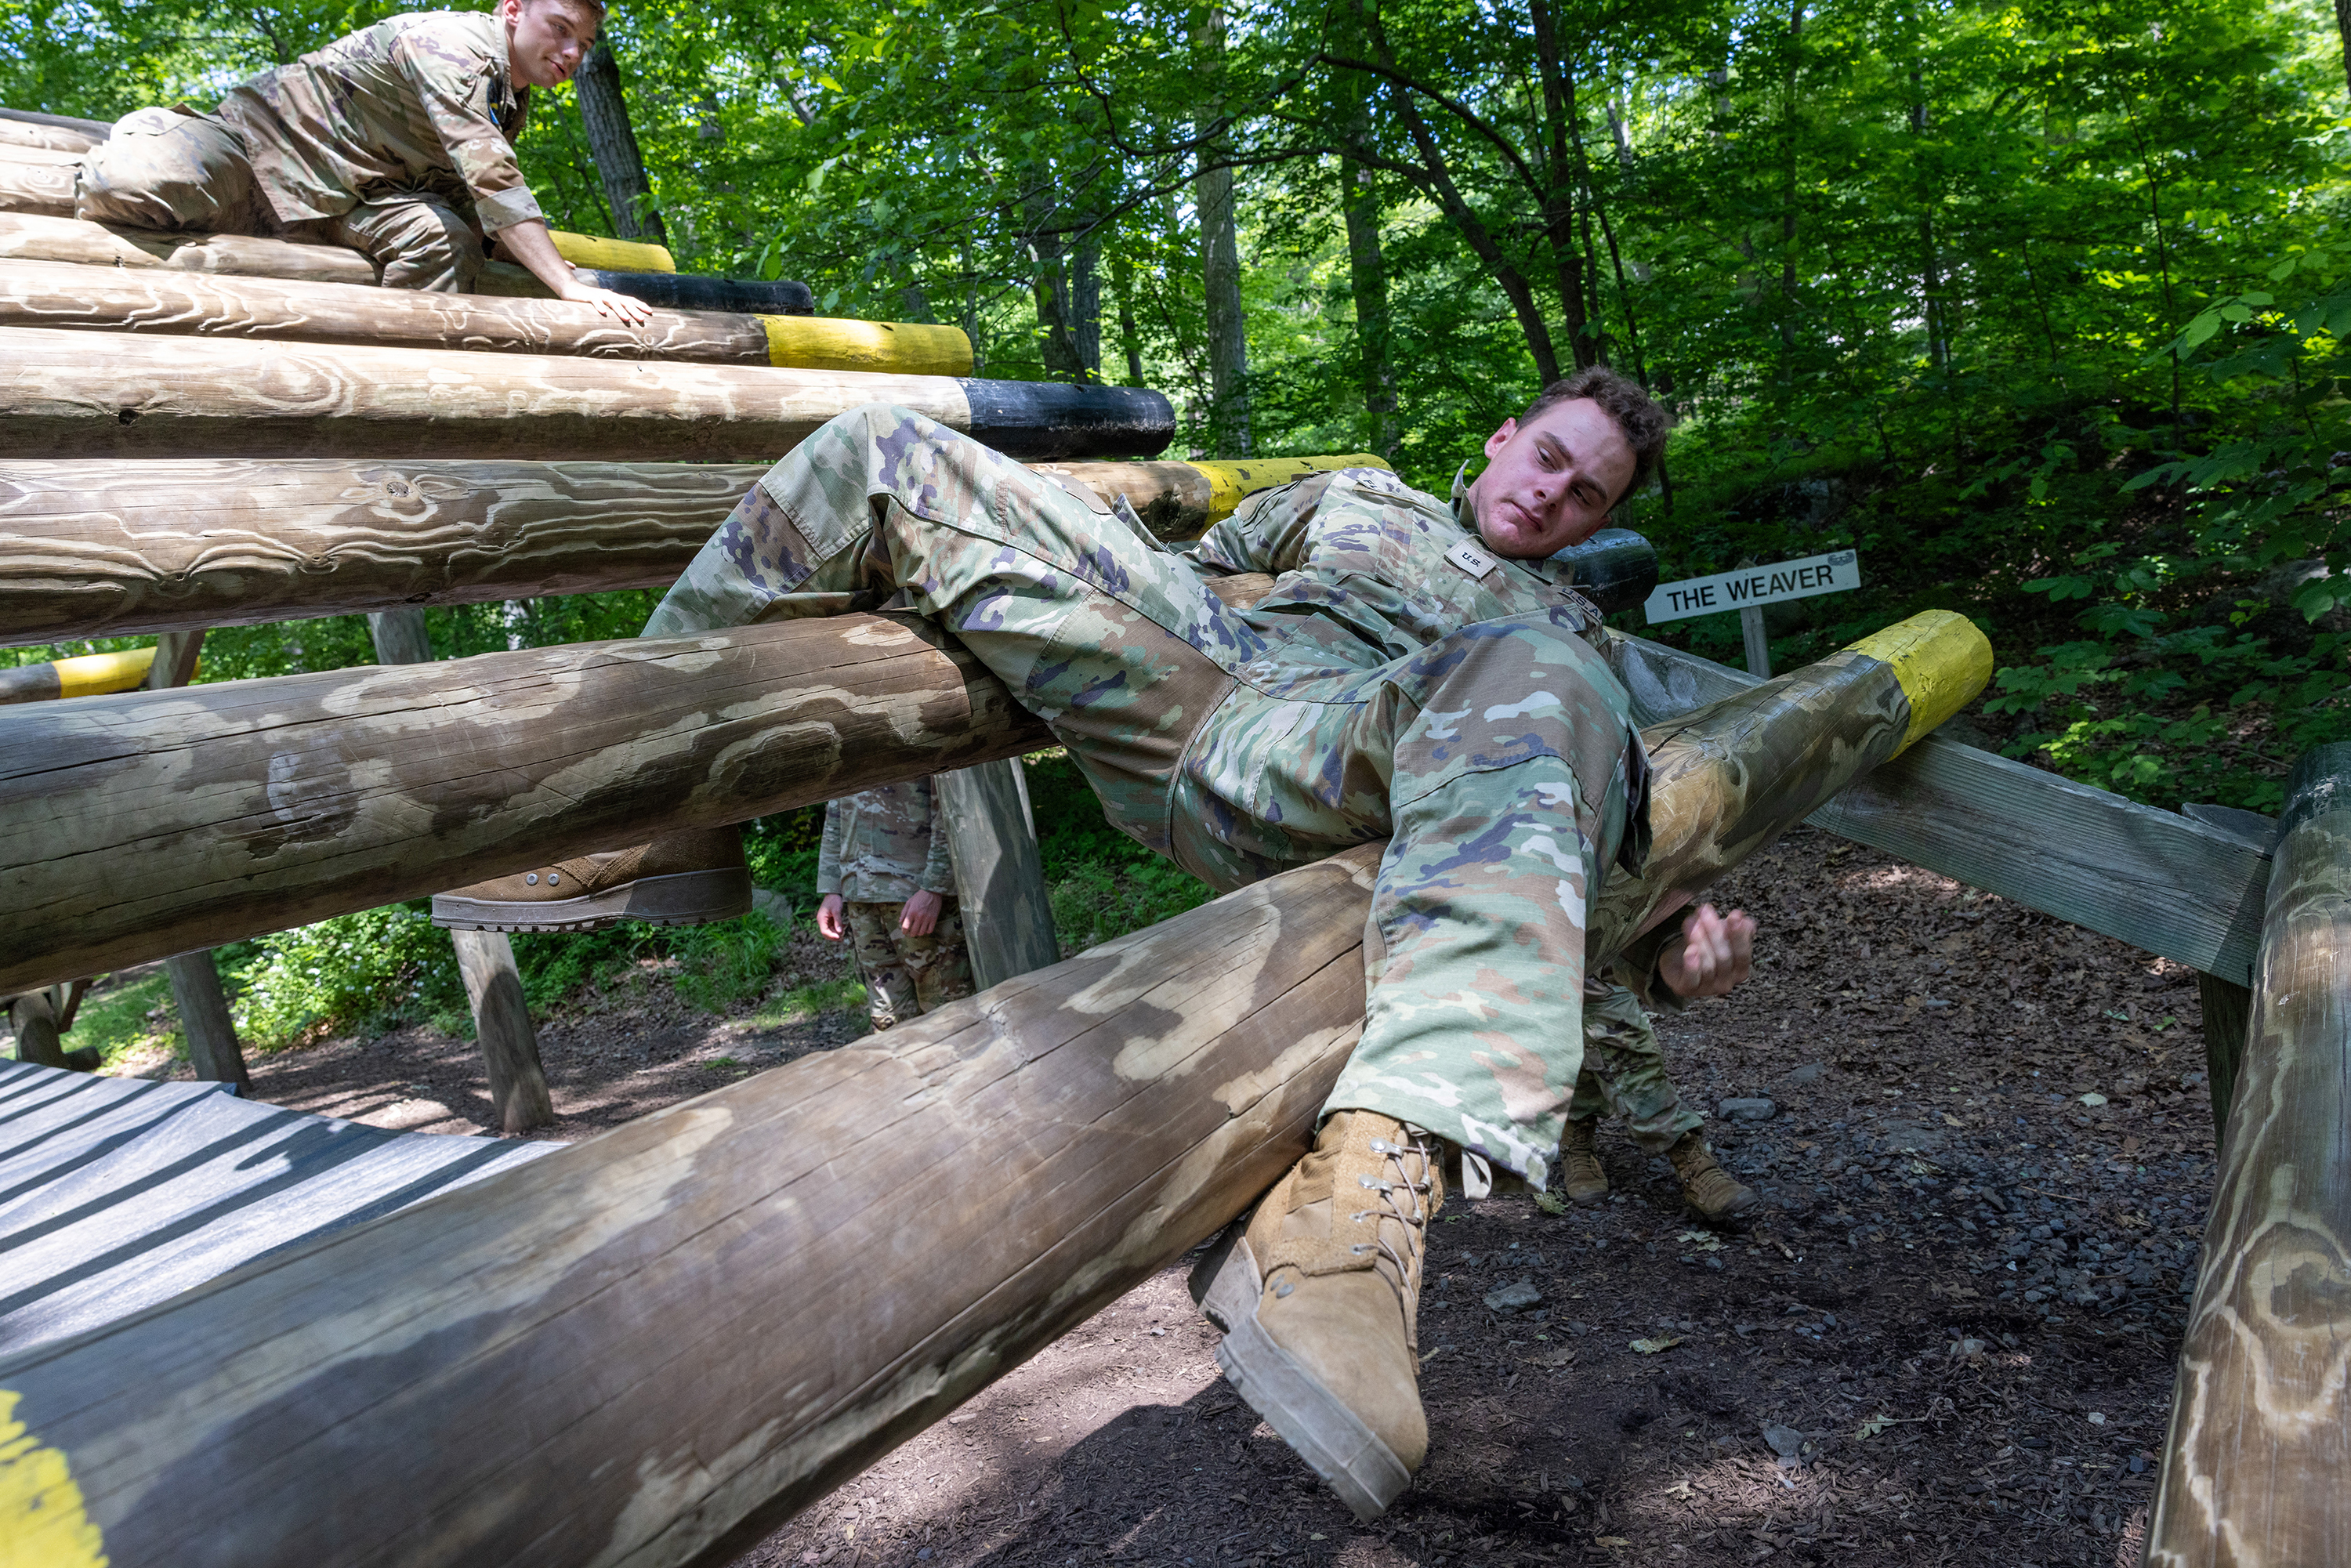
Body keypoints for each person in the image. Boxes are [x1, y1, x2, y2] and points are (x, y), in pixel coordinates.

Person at [435, 368, 1760, 1520]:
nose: (1550, 497)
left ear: (1601, 520)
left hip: (1351, 752)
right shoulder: (1353, 495)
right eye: (1547, 456)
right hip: (1202, 661)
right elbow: (1205, 558)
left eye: (1587, 494)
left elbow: (1584, 837)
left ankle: (1355, 1211)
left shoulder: (1568, 637)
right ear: (1501, 437)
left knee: (1546, 680)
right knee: (878, 449)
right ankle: (638, 797)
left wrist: (1662, 956)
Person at [75, 0, 653, 316]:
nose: (573, 52)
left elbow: (469, 200)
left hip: (355, 196)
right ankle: (161, 130)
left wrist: (550, 267)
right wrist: (567, 285)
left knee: (443, 239)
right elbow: (491, 177)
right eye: (560, 27)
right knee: (132, 186)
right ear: (512, 10)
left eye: (584, 43)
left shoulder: (508, 96)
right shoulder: (455, 49)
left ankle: (399, 397)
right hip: (266, 153)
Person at [1563, 903, 1761, 1222]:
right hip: (1520, 920)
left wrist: (1664, 940)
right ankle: (1577, 1135)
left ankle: (1687, 1156)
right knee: (1569, 1031)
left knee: (1618, 1033)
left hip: (1601, 918)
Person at [814, 778, 976, 1031]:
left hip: (916, 895)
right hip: (861, 898)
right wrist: (832, 888)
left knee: (950, 1022)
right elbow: (837, 804)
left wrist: (934, 886)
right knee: (888, 1027)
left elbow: (950, 802)